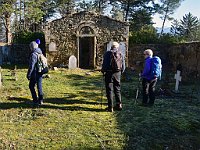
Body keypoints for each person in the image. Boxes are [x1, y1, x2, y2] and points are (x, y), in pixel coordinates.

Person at [101, 41, 125, 112]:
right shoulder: (120, 54)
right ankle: (119, 105)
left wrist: (103, 71)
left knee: (109, 90)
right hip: (117, 73)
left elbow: (104, 65)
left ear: (111, 47)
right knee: (117, 89)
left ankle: (110, 107)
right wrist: (120, 72)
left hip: (109, 73)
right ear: (117, 47)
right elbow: (123, 66)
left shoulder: (107, 54)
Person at [27, 41, 44, 106]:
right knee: (39, 86)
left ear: (32, 47)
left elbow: (32, 66)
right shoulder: (40, 52)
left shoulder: (34, 54)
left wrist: (28, 74)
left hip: (35, 72)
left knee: (31, 86)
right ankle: (41, 100)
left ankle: (35, 100)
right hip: (40, 71)